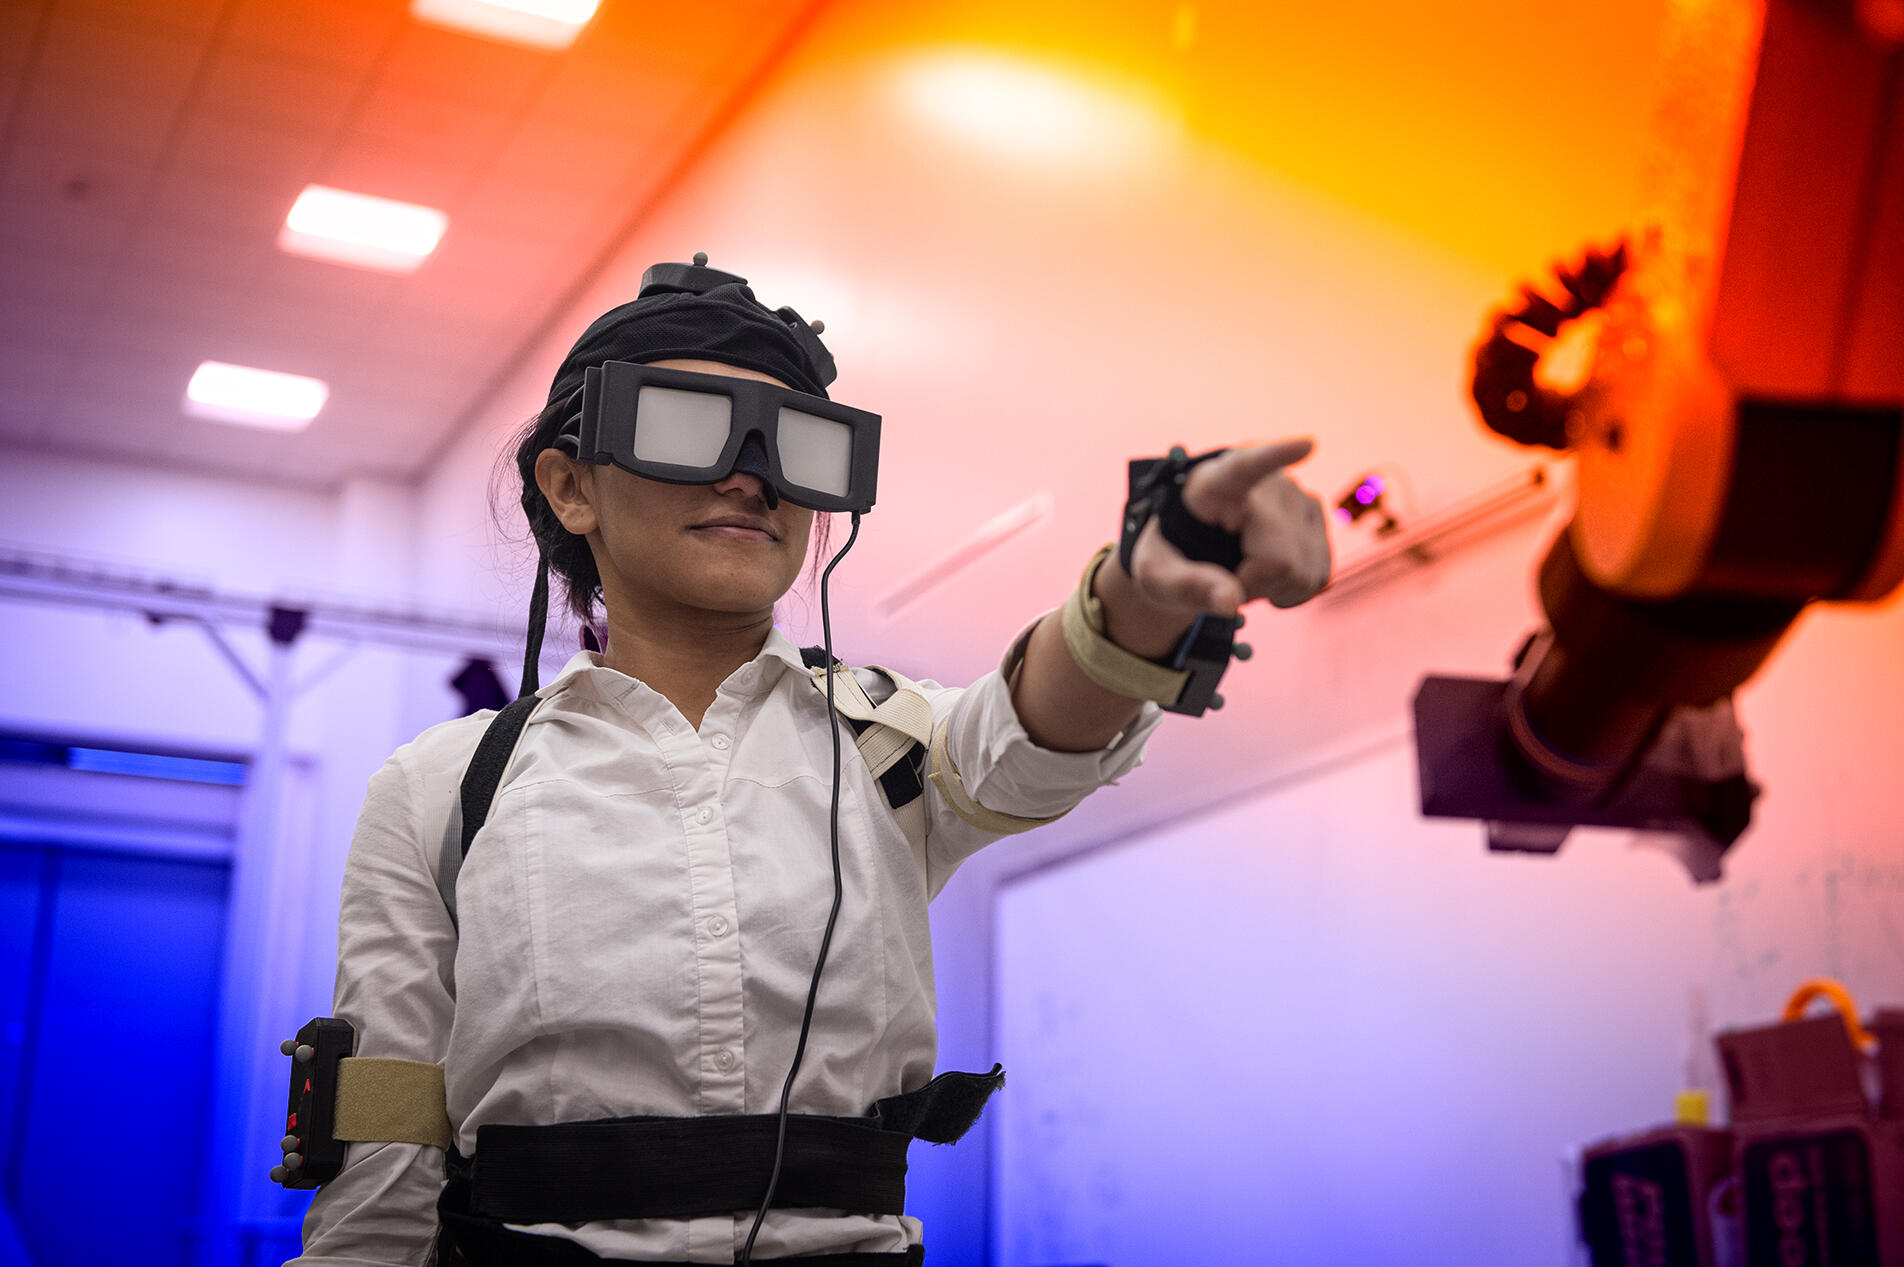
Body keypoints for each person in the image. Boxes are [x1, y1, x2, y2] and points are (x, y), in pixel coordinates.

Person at [289, 262, 1331, 1266]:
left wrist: (1146, 589)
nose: (753, 474)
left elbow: (1033, 730)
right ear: (570, 487)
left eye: (798, 444)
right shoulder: (442, 788)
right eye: (688, 424)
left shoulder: (887, 741)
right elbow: (385, 1137)